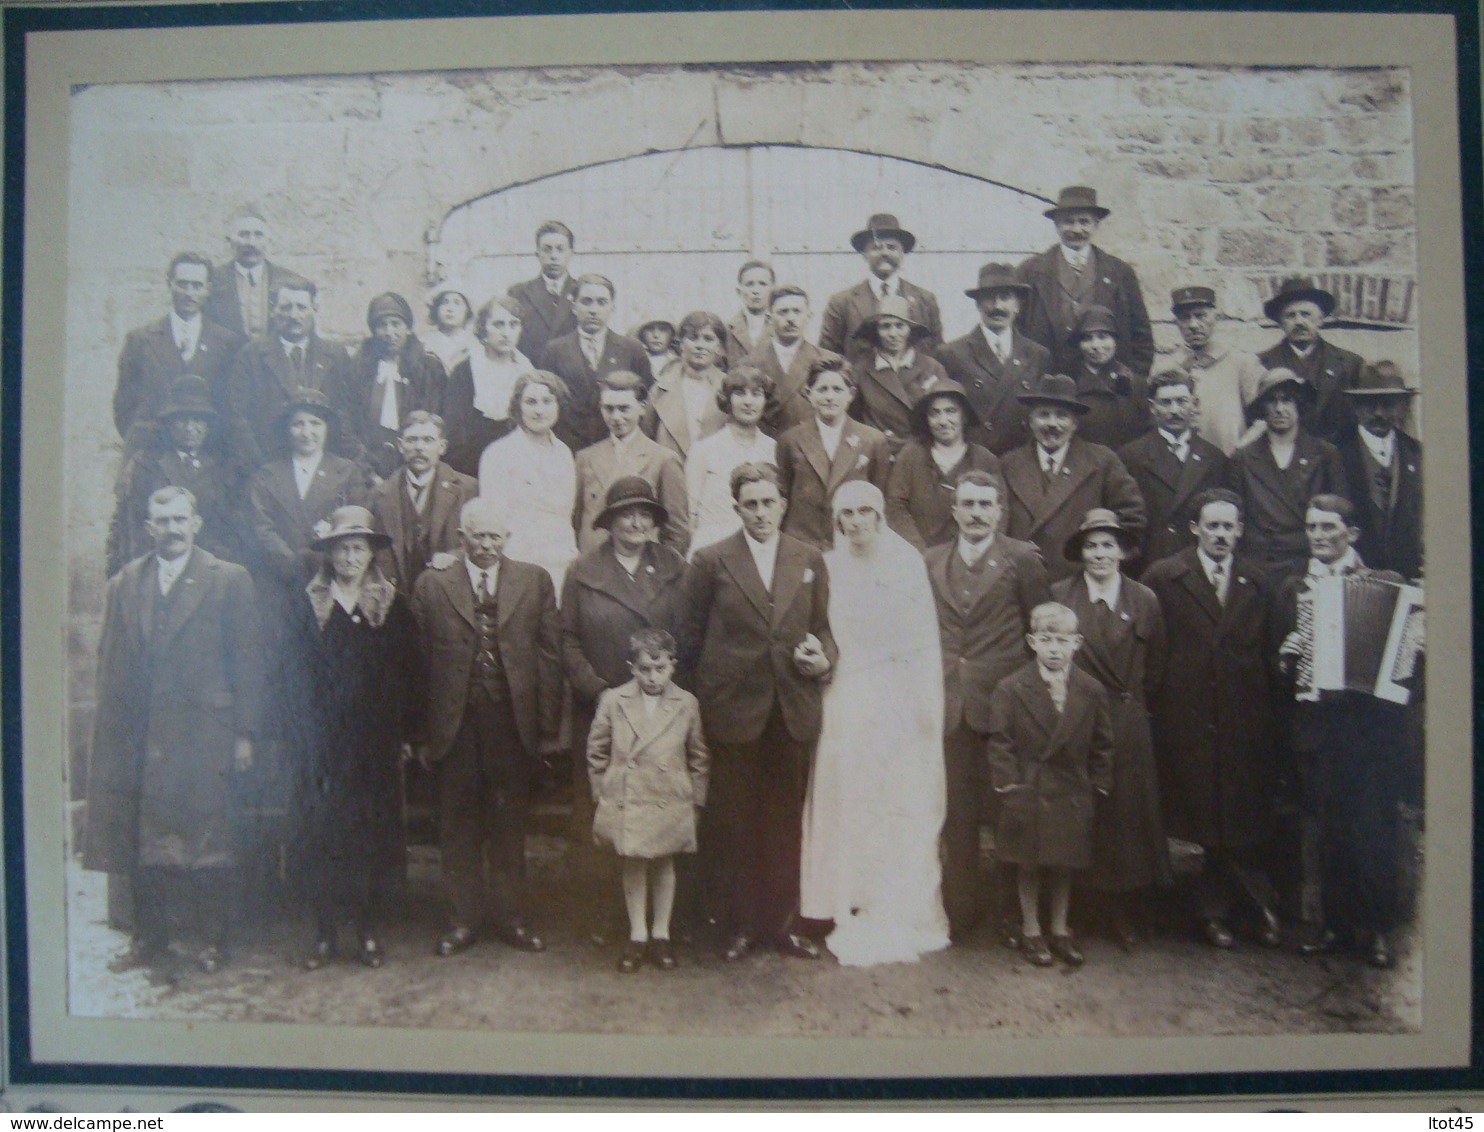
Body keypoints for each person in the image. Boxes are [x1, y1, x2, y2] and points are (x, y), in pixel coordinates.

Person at [83, 486, 262, 978]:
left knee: (210, 835)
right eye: (162, 521)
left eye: (181, 519)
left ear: (196, 523)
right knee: (147, 837)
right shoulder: (127, 583)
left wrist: (244, 734)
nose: (172, 529)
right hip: (148, 734)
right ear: (148, 528)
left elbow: (247, 663)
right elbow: (112, 664)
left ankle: (212, 939)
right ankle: (149, 937)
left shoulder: (228, 580)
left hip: (207, 731)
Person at [682, 462, 837, 961]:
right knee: (736, 820)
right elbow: (688, 638)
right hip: (734, 710)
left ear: (784, 504)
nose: (761, 512)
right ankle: (739, 924)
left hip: (790, 706)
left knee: (785, 821)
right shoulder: (711, 561)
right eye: (750, 503)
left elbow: (826, 628)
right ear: (736, 508)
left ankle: (782, 924)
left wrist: (822, 656)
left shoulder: (809, 557)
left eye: (769, 502)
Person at [799, 481, 950, 966]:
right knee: (846, 794)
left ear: (881, 517)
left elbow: (922, 641)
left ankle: (889, 899)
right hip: (845, 694)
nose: (858, 521)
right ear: (837, 519)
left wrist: (923, 706)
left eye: (867, 511)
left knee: (890, 799)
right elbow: (821, 627)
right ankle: (842, 899)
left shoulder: (906, 564)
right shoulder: (827, 565)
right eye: (848, 513)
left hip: (894, 699)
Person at [410, 497, 562, 959]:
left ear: (507, 539)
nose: (487, 545)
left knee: (508, 822)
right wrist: (419, 734)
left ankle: (511, 918)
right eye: (478, 536)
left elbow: (549, 655)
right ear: (461, 539)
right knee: (457, 824)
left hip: (512, 721)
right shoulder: (432, 585)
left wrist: (547, 726)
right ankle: (462, 920)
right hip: (454, 722)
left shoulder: (534, 581)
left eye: (496, 536)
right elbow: (416, 665)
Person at [1274, 495, 1414, 969]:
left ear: (1351, 534)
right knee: (1329, 827)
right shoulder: (1298, 586)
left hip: (1372, 728)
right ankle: (1334, 925)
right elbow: (1284, 661)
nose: (1317, 535)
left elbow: (1406, 657)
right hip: (1323, 725)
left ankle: (1377, 929)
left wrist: (1407, 652)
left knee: (1373, 827)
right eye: (1311, 526)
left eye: (1328, 527)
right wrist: (1291, 653)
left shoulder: (1387, 584)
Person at [1141, 489, 1284, 950]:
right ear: (1195, 529)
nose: (1221, 535)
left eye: (1229, 526)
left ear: (1240, 531)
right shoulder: (1165, 577)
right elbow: (1154, 652)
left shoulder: (1258, 583)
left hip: (1243, 719)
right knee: (1202, 819)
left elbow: (1267, 655)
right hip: (1187, 720)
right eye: (1213, 526)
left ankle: (1239, 908)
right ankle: (1216, 912)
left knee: (1237, 818)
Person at [282, 506, 421, 971]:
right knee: (323, 833)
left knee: (371, 834)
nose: (350, 557)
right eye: (342, 548)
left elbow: (409, 674)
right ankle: (324, 933)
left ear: (370, 555)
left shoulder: (390, 605)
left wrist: (405, 732)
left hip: (373, 743)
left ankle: (367, 931)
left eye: (358, 548)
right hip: (321, 744)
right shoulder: (308, 605)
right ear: (329, 554)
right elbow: (289, 674)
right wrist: (300, 732)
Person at [561, 477, 692, 945]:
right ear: (609, 521)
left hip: (661, 715)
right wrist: (598, 692)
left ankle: (663, 924)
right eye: (625, 514)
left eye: (645, 514)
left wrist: (671, 691)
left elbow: (688, 635)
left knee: (660, 812)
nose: (635, 523)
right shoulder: (582, 571)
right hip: (602, 712)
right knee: (602, 811)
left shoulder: (674, 566)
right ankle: (603, 916)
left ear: (655, 522)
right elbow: (568, 639)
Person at [923, 470, 1049, 941]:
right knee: (957, 814)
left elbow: (1038, 632)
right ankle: (961, 912)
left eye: (985, 505)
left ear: (999, 511)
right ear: (954, 510)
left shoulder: (1022, 559)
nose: (976, 514)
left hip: (1003, 708)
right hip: (950, 705)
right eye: (968, 504)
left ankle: (1018, 915)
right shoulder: (931, 560)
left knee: (1010, 810)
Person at [1050, 510, 1171, 950]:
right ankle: (1078, 911)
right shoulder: (1061, 595)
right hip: (1077, 715)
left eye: (1107, 545)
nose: (1099, 554)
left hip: (1126, 717)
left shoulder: (1144, 600)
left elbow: (1156, 666)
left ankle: (1122, 913)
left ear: (1122, 552)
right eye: (1091, 546)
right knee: (1080, 812)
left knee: (1125, 818)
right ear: (1080, 553)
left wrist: (1132, 706)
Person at [987, 602, 1114, 968]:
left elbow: (1103, 742)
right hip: (1029, 789)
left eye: (1062, 641)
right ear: (1031, 642)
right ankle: (1030, 930)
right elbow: (1001, 742)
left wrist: (1098, 784)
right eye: (1046, 640)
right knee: (1028, 864)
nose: (1054, 649)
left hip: (1072, 790)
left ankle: (1060, 929)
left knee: (1064, 864)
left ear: (1077, 643)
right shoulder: (1011, 688)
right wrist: (1009, 786)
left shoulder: (1090, 689)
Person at [588, 629, 710, 973]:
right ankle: (637, 935)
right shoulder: (614, 700)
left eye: (660, 669)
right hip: (629, 798)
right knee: (634, 863)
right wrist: (604, 794)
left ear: (672, 665)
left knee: (664, 865)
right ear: (631, 667)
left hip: (669, 798)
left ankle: (661, 934)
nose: (652, 677)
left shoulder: (686, 703)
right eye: (644, 669)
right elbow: (596, 751)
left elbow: (699, 757)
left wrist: (695, 802)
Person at [998, 373, 1146, 583]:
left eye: (1061, 415)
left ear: (1075, 423)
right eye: (1043, 414)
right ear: (1031, 421)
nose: (1052, 424)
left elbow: (1133, 519)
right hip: (1021, 582)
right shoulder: (1008, 464)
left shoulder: (1102, 462)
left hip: (1081, 584)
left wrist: (1102, 562)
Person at [245, 387, 366, 631]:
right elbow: (261, 528)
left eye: (315, 423)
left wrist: (322, 561)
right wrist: (293, 564)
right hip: (279, 583)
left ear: (327, 428)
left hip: (333, 581)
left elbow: (356, 525)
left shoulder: (347, 472)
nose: (306, 432)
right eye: (298, 424)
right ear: (287, 429)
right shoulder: (267, 475)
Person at [107, 375, 247, 577]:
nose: (190, 428)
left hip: (209, 574)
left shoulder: (224, 471)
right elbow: (125, 525)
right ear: (170, 425)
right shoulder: (147, 467)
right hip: (157, 571)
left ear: (208, 425)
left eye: (198, 420)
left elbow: (232, 531)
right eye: (182, 421)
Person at [113, 251, 244, 460]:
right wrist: (143, 443)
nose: (189, 292)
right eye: (182, 284)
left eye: (197, 285)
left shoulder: (228, 343)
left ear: (208, 289)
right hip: (152, 454)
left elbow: (232, 406)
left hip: (208, 459)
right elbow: (124, 406)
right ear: (170, 284)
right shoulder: (141, 340)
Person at [1015, 186, 1154, 378]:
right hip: (1048, 385)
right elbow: (1015, 331)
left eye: (1084, 222)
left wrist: (1131, 385)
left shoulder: (1120, 272)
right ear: (1056, 225)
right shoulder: (1030, 271)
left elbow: (1142, 337)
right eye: (1068, 222)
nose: (1076, 229)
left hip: (1107, 386)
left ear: (1096, 224)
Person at [226, 277, 361, 470]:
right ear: (273, 310)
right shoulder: (251, 355)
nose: (294, 315)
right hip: (267, 464)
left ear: (314, 309)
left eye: (301, 307)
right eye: (286, 307)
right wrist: (261, 467)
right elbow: (237, 418)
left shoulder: (335, 355)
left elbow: (345, 413)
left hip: (324, 467)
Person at [1227, 368, 1348, 574]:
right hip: (1259, 564)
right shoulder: (1243, 458)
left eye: (1287, 400)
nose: (1279, 408)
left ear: (1299, 404)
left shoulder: (1325, 454)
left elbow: (1339, 513)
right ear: (1262, 408)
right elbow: (1237, 519)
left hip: (1311, 562)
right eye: (1272, 401)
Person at [477, 370, 580, 596]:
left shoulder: (564, 453)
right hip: (518, 565)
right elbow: (494, 521)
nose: (539, 410)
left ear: (558, 405)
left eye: (547, 401)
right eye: (531, 402)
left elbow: (566, 515)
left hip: (561, 564)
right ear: (518, 406)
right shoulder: (498, 453)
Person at [774, 356, 891, 550]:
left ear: (851, 394)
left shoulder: (873, 441)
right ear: (809, 394)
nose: (830, 397)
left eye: (837, 390)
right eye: (822, 390)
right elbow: (783, 497)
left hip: (852, 546)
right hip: (802, 546)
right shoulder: (790, 440)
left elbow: (880, 497)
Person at [936, 262, 1051, 456]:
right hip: (974, 458)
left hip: (1022, 459)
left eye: (1005, 298)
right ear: (978, 304)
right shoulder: (951, 354)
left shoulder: (1038, 355)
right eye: (989, 298)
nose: (997, 306)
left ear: (1017, 305)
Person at [1117, 371, 1230, 567]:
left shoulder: (1214, 458)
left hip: (1197, 561)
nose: (1175, 410)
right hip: (1148, 562)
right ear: (1153, 407)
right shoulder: (1130, 456)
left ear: (1194, 404)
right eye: (1166, 403)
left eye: (1181, 401)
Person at [572, 371, 690, 557]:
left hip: (642, 567)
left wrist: (662, 571)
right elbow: (577, 520)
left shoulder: (663, 459)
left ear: (642, 407)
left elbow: (677, 530)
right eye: (609, 409)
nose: (616, 417)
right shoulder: (585, 458)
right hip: (594, 568)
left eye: (624, 408)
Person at [366, 411, 478, 598]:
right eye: (412, 440)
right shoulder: (379, 495)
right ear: (401, 446)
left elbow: (482, 542)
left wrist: (455, 556)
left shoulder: (467, 489)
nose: (419, 447)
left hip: (450, 598)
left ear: (442, 447)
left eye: (428, 440)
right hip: (396, 601)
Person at [536, 273, 652, 452]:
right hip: (568, 448)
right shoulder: (555, 350)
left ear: (612, 307)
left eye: (601, 302)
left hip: (618, 447)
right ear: (574, 306)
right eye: (586, 301)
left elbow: (646, 402)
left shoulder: (632, 349)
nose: (593, 310)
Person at [885, 379, 1001, 553]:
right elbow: (895, 507)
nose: (943, 421)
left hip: (971, 556)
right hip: (918, 556)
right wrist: (920, 552)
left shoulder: (984, 459)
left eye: (951, 411)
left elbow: (1000, 512)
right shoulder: (911, 455)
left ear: (964, 416)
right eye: (934, 413)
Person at [1149, 285, 1266, 456]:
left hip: (1229, 461)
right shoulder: (1164, 367)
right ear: (1176, 323)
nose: (1194, 325)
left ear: (1216, 316)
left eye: (1200, 316)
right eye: (1185, 318)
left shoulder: (1242, 363)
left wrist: (1241, 450)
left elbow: (1262, 420)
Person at [1334, 361, 1422, 580]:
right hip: (1354, 580)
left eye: (1388, 404)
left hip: (1408, 579)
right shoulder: (1336, 453)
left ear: (1402, 406)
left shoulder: (1416, 453)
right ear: (1355, 407)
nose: (1379, 413)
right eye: (1369, 404)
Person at [348, 292, 447, 479]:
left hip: (416, 460)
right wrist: (365, 468)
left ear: (408, 328)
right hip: (367, 464)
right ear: (373, 331)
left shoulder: (428, 368)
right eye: (382, 325)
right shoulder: (359, 368)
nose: (389, 332)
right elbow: (349, 420)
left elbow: (435, 416)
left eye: (396, 324)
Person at [1257, 276, 1366, 444]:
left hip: (1336, 462)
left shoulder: (1349, 364)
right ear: (1280, 322)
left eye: (1306, 314)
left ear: (1321, 319)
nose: (1299, 322)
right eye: (1290, 316)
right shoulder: (1261, 364)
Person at [819, 213, 943, 355]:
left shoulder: (925, 300)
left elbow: (937, 354)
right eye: (876, 248)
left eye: (891, 247)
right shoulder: (842, 302)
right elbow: (827, 355)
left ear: (903, 253)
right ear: (864, 254)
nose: (884, 253)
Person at [686, 365, 778, 555]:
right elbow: (690, 512)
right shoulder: (704, 449)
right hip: (713, 548)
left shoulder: (774, 449)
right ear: (727, 400)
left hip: (760, 549)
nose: (748, 402)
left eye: (756, 394)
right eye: (740, 394)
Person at [846, 294, 950, 457]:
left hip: (923, 456)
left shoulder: (932, 368)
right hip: (879, 455)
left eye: (899, 326)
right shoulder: (860, 371)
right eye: (885, 326)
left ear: (909, 329)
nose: (893, 333)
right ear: (877, 331)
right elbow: (852, 421)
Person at [442, 295, 535, 476]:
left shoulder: (527, 370)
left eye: (513, 324)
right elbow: (455, 432)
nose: (506, 332)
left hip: (519, 464)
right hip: (473, 463)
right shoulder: (466, 371)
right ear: (484, 327)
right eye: (498, 324)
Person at [744, 284, 834, 437]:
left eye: (797, 312)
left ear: (808, 316)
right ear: (769, 318)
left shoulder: (829, 363)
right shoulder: (749, 364)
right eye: (783, 312)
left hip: (811, 449)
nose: (791, 318)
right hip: (766, 450)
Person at [1066, 305, 1151, 453]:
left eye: (1103, 337)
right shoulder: (1069, 383)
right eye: (1087, 338)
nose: (1096, 346)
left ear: (1115, 340)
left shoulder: (1135, 384)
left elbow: (1146, 434)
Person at [647, 311, 729, 459]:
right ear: (681, 343)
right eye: (693, 338)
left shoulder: (729, 389)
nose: (700, 345)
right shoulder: (660, 389)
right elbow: (646, 440)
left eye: (708, 339)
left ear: (719, 347)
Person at [203, 209, 295, 340]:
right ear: (229, 241)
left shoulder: (288, 281)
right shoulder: (213, 281)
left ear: (268, 241)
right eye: (244, 235)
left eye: (258, 235)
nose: (251, 243)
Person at [507, 219, 580, 361]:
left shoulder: (582, 292)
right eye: (547, 249)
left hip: (572, 376)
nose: (553, 256)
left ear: (571, 253)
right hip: (532, 375)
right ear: (537, 254)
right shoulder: (518, 292)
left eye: (560, 249)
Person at [725, 259, 775, 369]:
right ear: (739, 291)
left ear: (773, 290)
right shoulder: (727, 329)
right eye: (749, 284)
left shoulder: (780, 327)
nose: (756, 290)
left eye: (762, 284)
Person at [423, 281, 476, 376]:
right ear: (436, 309)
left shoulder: (475, 346)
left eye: (457, 303)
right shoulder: (424, 345)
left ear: (467, 310)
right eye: (444, 303)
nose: (450, 309)